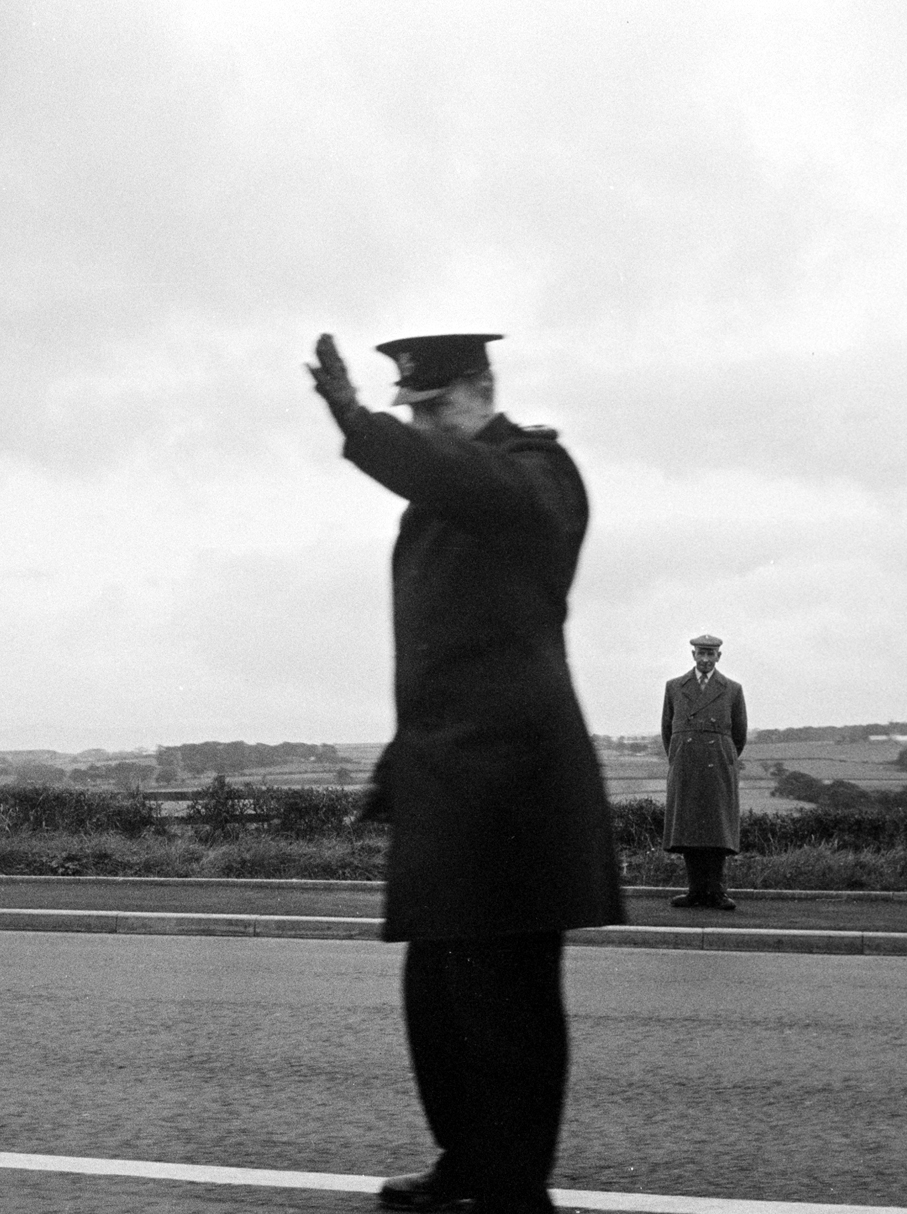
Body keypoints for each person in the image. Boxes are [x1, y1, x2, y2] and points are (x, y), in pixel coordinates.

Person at [306, 331, 624, 1214]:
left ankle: (516, 1189)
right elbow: (455, 650)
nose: (429, 428)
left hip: (515, 788)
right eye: (417, 412)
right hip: (448, 781)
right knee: (440, 1003)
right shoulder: (451, 490)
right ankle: (466, 1162)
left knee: (509, 1007)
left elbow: (468, 479)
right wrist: (397, 765)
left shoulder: (535, 472)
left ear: (483, 390)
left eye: (439, 409)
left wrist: (361, 424)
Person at [660, 634, 748, 910]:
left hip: (717, 764)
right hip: (686, 763)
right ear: (693, 655)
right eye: (701, 653)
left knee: (716, 829)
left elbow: (739, 734)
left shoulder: (732, 689)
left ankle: (716, 892)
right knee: (688, 829)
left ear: (719, 657)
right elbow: (666, 729)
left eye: (711, 654)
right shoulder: (674, 687)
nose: (706, 659)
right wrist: (679, 757)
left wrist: (722, 757)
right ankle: (695, 891)